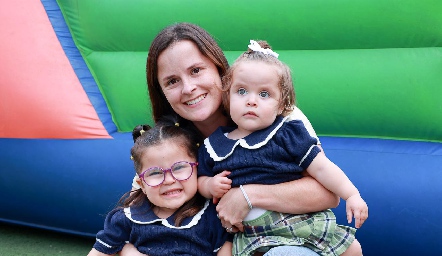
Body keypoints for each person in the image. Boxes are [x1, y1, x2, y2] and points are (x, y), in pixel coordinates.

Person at [121, 22, 339, 256]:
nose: (188, 88)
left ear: (220, 71)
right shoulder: (167, 144)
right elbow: (131, 216)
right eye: (172, 81)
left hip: (288, 240)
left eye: (196, 70)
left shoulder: (276, 116)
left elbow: (329, 193)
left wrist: (247, 195)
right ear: (161, 91)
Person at [197, 40, 368, 256]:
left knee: (352, 249)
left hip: (296, 222)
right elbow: (200, 180)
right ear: (227, 96)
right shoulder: (214, 145)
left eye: (264, 94)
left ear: (281, 105)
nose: (251, 101)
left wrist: (351, 195)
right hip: (253, 235)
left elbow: (322, 168)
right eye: (241, 91)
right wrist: (210, 185)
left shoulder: (286, 133)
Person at [88, 116, 232, 256]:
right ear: (141, 184)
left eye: (179, 167)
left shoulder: (212, 216)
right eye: (155, 172)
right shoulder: (126, 219)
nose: (169, 180)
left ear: (197, 170)